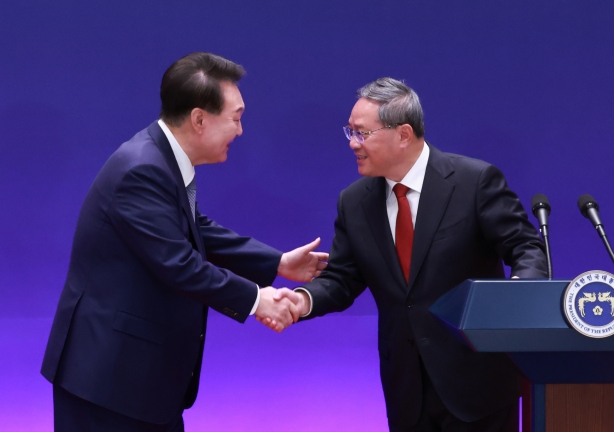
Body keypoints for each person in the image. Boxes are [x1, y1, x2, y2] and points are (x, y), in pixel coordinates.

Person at [41, 52, 327, 431]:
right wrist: (259, 299)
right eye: (236, 118)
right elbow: (179, 264)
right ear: (199, 118)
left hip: (135, 380)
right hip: (106, 381)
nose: (241, 131)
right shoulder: (141, 170)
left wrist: (276, 263)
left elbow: (194, 227)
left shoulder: (160, 158)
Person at [275, 78, 547, 431]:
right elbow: (342, 279)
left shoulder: (473, 182)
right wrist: (302, 301)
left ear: (403, 134)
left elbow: (525, 247)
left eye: (362, 133)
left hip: (478, 383)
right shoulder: (355, 202)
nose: (353, 144)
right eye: (350, 132)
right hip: (407, 390)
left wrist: (515, 300)